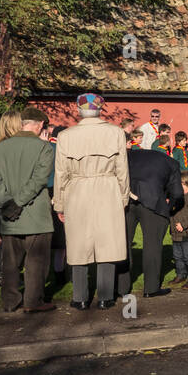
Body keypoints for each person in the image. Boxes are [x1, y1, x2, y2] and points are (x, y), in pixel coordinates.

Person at [55, 94, 131, 310]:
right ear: (100, 109)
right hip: (108, 189)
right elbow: (122, 170)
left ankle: (79, 296)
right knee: (108, 242)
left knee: (78, 243)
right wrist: (123, 197)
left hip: (77, 190)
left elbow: (61, 173)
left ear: (79, 110)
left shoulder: (66, 136)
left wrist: (59, 203)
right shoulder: (116, 133)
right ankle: (106, 296)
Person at [0, 107, 56, 313]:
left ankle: (9, 301)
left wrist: (7, 202)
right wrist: (18, 202)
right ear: (40, 125)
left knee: (10, 263)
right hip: (36, 214)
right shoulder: (44, 148)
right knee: (36, 262)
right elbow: (39, 180)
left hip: (9, 215)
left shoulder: (1, 148)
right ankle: (33, 301)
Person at [124, 127, 185, 298]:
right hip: (154, 201)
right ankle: (151, 288)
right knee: (153, 245)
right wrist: (171, 207)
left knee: (124, 244)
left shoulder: (128, 156)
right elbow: (178, 194)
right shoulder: (171, 163)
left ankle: (121, 288)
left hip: (126, 201)